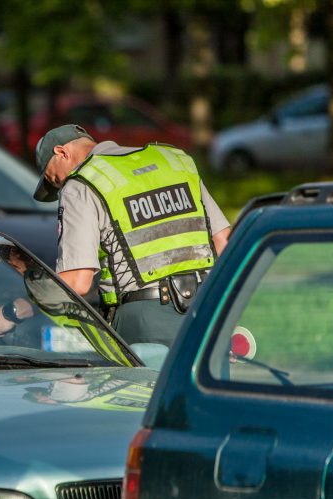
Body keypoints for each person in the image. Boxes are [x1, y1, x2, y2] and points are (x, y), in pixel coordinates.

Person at [33, 124, 231, 346]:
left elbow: (78, 281)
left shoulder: (81, 184)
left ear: (62, 152)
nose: (60, 186)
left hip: (143, 324)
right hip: (207, 309)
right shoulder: (174, 160)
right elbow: (224, 242)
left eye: (55, 179)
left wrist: (19, 307)